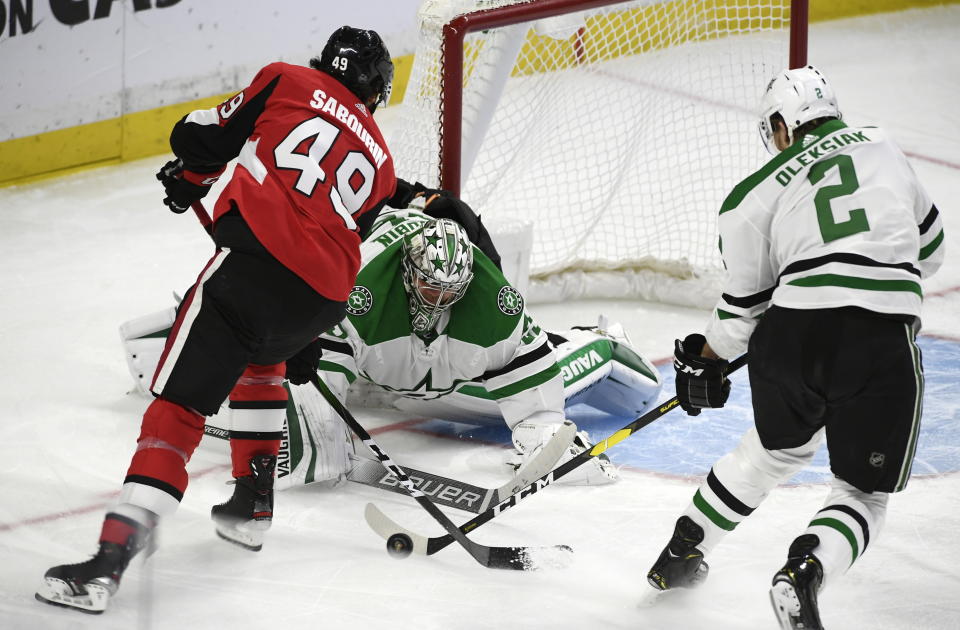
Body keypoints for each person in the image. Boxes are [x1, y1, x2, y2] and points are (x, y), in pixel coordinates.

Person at [36, 26, 399, 614]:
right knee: (263, 356)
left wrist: (191, 172)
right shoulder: (381, 159)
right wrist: (302, 326)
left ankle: (109, 561)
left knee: (175, 410)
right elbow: (329, 230)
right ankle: (253, 505)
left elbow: (202, 135)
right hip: (325, 296)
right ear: (375, 88)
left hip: (252, 273)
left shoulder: (288, 78)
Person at [643, 65, 944, 629]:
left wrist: (703, 362)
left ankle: (681, 552)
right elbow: (932, 252)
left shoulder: (750, 196)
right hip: (878, 338)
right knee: (862, 494)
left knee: (770, 454)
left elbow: (740, 314)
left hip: (791, 332)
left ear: (781, 126)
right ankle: (804, 570)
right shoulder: (881, 144)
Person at [268, 198, 663, 497]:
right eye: (429, 287)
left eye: (451, 292)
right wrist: (313, 427)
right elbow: (312, 359)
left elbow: (531, 371)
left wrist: (543, 432)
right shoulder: (360, 288)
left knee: (497, 406)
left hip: (445, 376)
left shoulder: (494, 301)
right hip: (382, 363)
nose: (439, 301)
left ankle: (603, 344)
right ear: (408, 273)